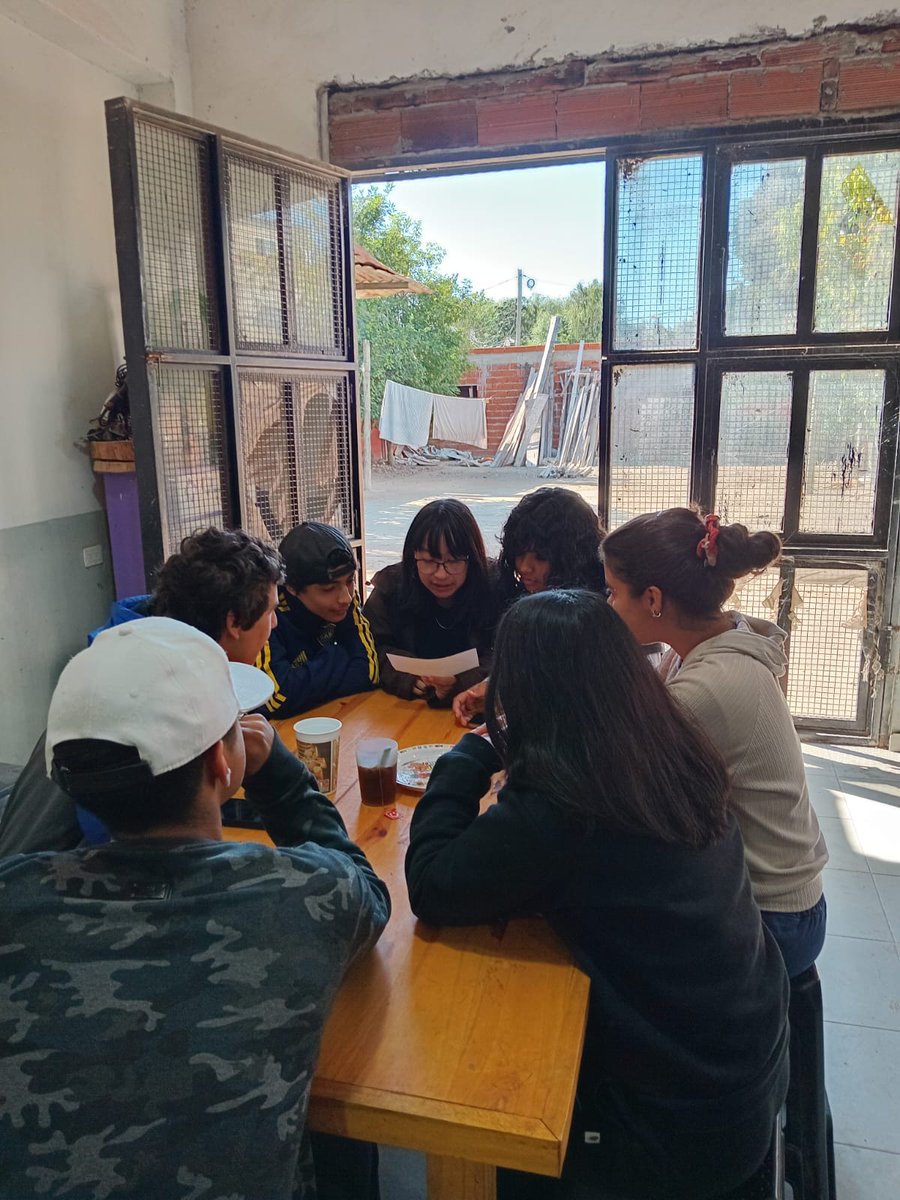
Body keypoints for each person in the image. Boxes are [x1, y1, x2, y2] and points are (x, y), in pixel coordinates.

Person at [406, 590, 789, 1200]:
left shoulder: (564, 803)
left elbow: (431, 884)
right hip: (748, 1072)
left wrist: (470, 754)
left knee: (500, 1097)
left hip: (675, 1132)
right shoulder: (666, 744)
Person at [0, 618, 390, 1200]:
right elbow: (367, 890)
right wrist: (282, 778)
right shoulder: (303, 892)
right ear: (220, 764)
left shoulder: (13, 893)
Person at [602, 507, 829, 978]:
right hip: (779, 903)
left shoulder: (709, 686)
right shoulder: (712, 642)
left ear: (653, 599)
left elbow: (617, 776)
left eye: (613, 593)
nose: (608, 606)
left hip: (773, 919)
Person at [0, 527, 284, 857]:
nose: (275, 624)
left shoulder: (154, 663)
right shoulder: (132, 706)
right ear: (234, 622)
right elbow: (127, 843)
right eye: (270, 612)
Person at [452, 487, 605, 723]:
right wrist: (493, 688)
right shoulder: (519, 594)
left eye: (540, 557)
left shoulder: (595, 615)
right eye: (518, 553)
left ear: (573, 556)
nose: (524, 567)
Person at [363, 499, 497, 705]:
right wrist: (403, 677)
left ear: (473, 558)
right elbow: (370, 647)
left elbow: (508, 655)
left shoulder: (495, 587)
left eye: (453, 561)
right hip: (406, 709)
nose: (441, 574)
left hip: (474, 708)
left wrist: (461, 682)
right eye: (428, 561)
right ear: (412, 557)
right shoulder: (391, 587)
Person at [258, 522, 378, 718]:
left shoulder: (345, 600)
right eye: (328, 589)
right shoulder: (268, 613)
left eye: (350, 581)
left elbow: (370, 672)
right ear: (292, 588)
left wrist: (303, 683)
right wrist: (337, 655)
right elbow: (276, 699)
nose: (346, 598)